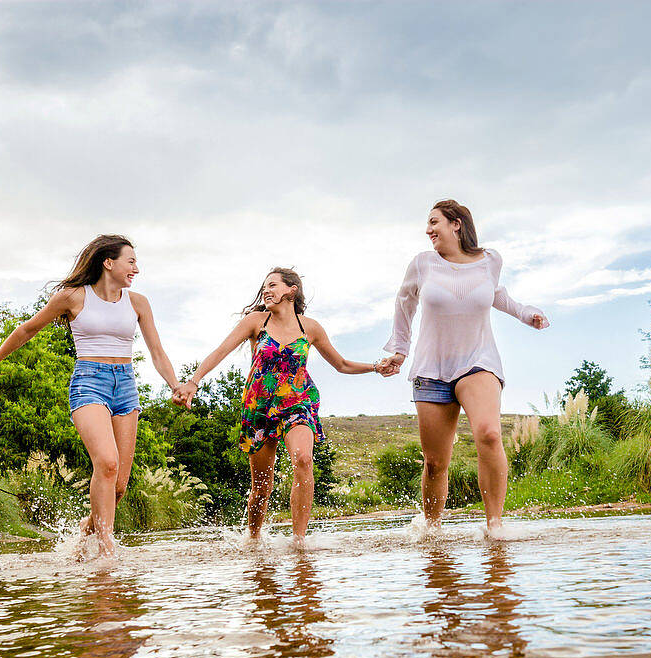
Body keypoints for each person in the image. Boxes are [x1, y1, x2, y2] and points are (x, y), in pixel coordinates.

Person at [0, 235, 180, 557]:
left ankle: (84, 535)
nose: (136, 268)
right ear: (108, 262)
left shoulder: (138, 302)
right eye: (131, 261)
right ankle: (106, 551)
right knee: (107, 464)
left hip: (125, 386)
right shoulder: (72, 297)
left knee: (119, 486)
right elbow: (27, 329)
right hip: (89, 383)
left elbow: (156, 351)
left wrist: (175, 385)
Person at [378, 200, 548, 537]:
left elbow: (494, 294)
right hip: (431, 368)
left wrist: (526, 313)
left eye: (434, 222)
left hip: (478, 361)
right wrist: (399, 350)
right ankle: (432, 529)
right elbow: (404, 303)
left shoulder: (490, 260)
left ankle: (495, 526)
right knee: (436, 463)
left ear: (456, 224)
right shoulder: (423, 264)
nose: (428, 230)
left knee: (489, 433)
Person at [174, 268, 377, 544]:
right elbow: (221, 351)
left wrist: (376, 367)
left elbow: (341, 364)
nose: (266, 291)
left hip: (298, 402)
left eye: (272, 285)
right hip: (259, 407)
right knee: (261, 487)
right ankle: (254, 540)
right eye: (264, 287)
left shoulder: (311, 328)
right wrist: (193, 381)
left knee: (304, 459)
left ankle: (299, 542)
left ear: (291, 290)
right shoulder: (256, 322)